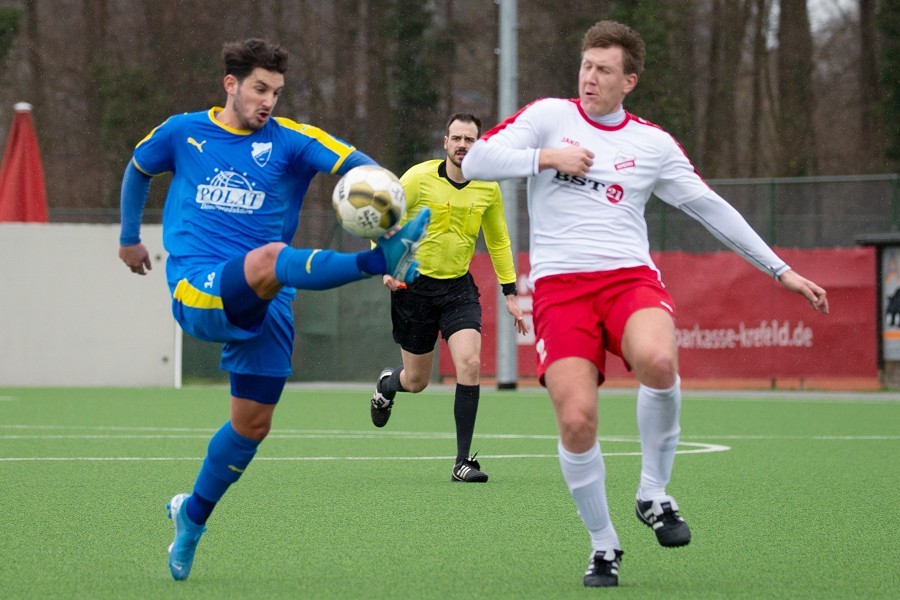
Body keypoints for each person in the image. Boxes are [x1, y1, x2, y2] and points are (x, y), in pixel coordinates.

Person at [462, 20, 828, 588]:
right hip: (559, 288)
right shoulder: (547, 119)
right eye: (586, 65)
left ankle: (653, 494)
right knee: (577, 420)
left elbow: (708, 206)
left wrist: (779, 269)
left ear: (628, 81)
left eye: (604, 70)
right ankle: (604, 544)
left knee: (659, 360)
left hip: (628, 279)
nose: (590, 78)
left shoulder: (651, 144)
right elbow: (477, 161)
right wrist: (546, 157)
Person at [117, 38, 431, 582]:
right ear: (230, 85)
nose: (268, 101)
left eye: (277, 92)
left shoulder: (291, 141)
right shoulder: (182, 131)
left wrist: (386, 205)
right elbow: (137, 167)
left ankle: (191, 516)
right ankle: (378, 261)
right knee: (270, 258)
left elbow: (362, 168)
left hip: (269, 298)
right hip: (199, 286)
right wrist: (128, 237)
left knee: (252, 425)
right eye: (259, 89)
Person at [370, 113, 529, 483]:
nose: (462, 145)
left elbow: (499, 240)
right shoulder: (417, 178)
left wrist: (510, 293)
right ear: (445, 143)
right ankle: (386, 386)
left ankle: (462, 462)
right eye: (456, 138)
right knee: (416, 381)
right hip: (414, 289)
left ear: (479, 145)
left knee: (469, 363)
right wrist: (387, 265)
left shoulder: (488, 187)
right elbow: (381, 219)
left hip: (458, 288)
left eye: (469, 139)